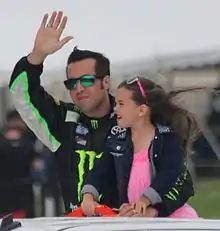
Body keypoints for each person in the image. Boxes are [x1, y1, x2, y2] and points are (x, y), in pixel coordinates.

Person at [9, 11, 118, 213]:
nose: (79, 88)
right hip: (77, 224)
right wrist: (37, 56)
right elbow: (21, 93)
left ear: (106, 82)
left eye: (86, 80)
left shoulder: (128, 118)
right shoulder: (64, 120)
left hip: (129, 223)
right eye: (72, 83)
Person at [81, 77, 198, 218]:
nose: (115, 108)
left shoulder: (167, 139)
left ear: (141, 110)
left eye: (121, 104)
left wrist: (147, 200)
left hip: (170, 217)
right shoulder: (117, 139)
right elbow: (100, 171)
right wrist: (88, 195)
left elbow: (170, 174)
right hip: (135, 217)